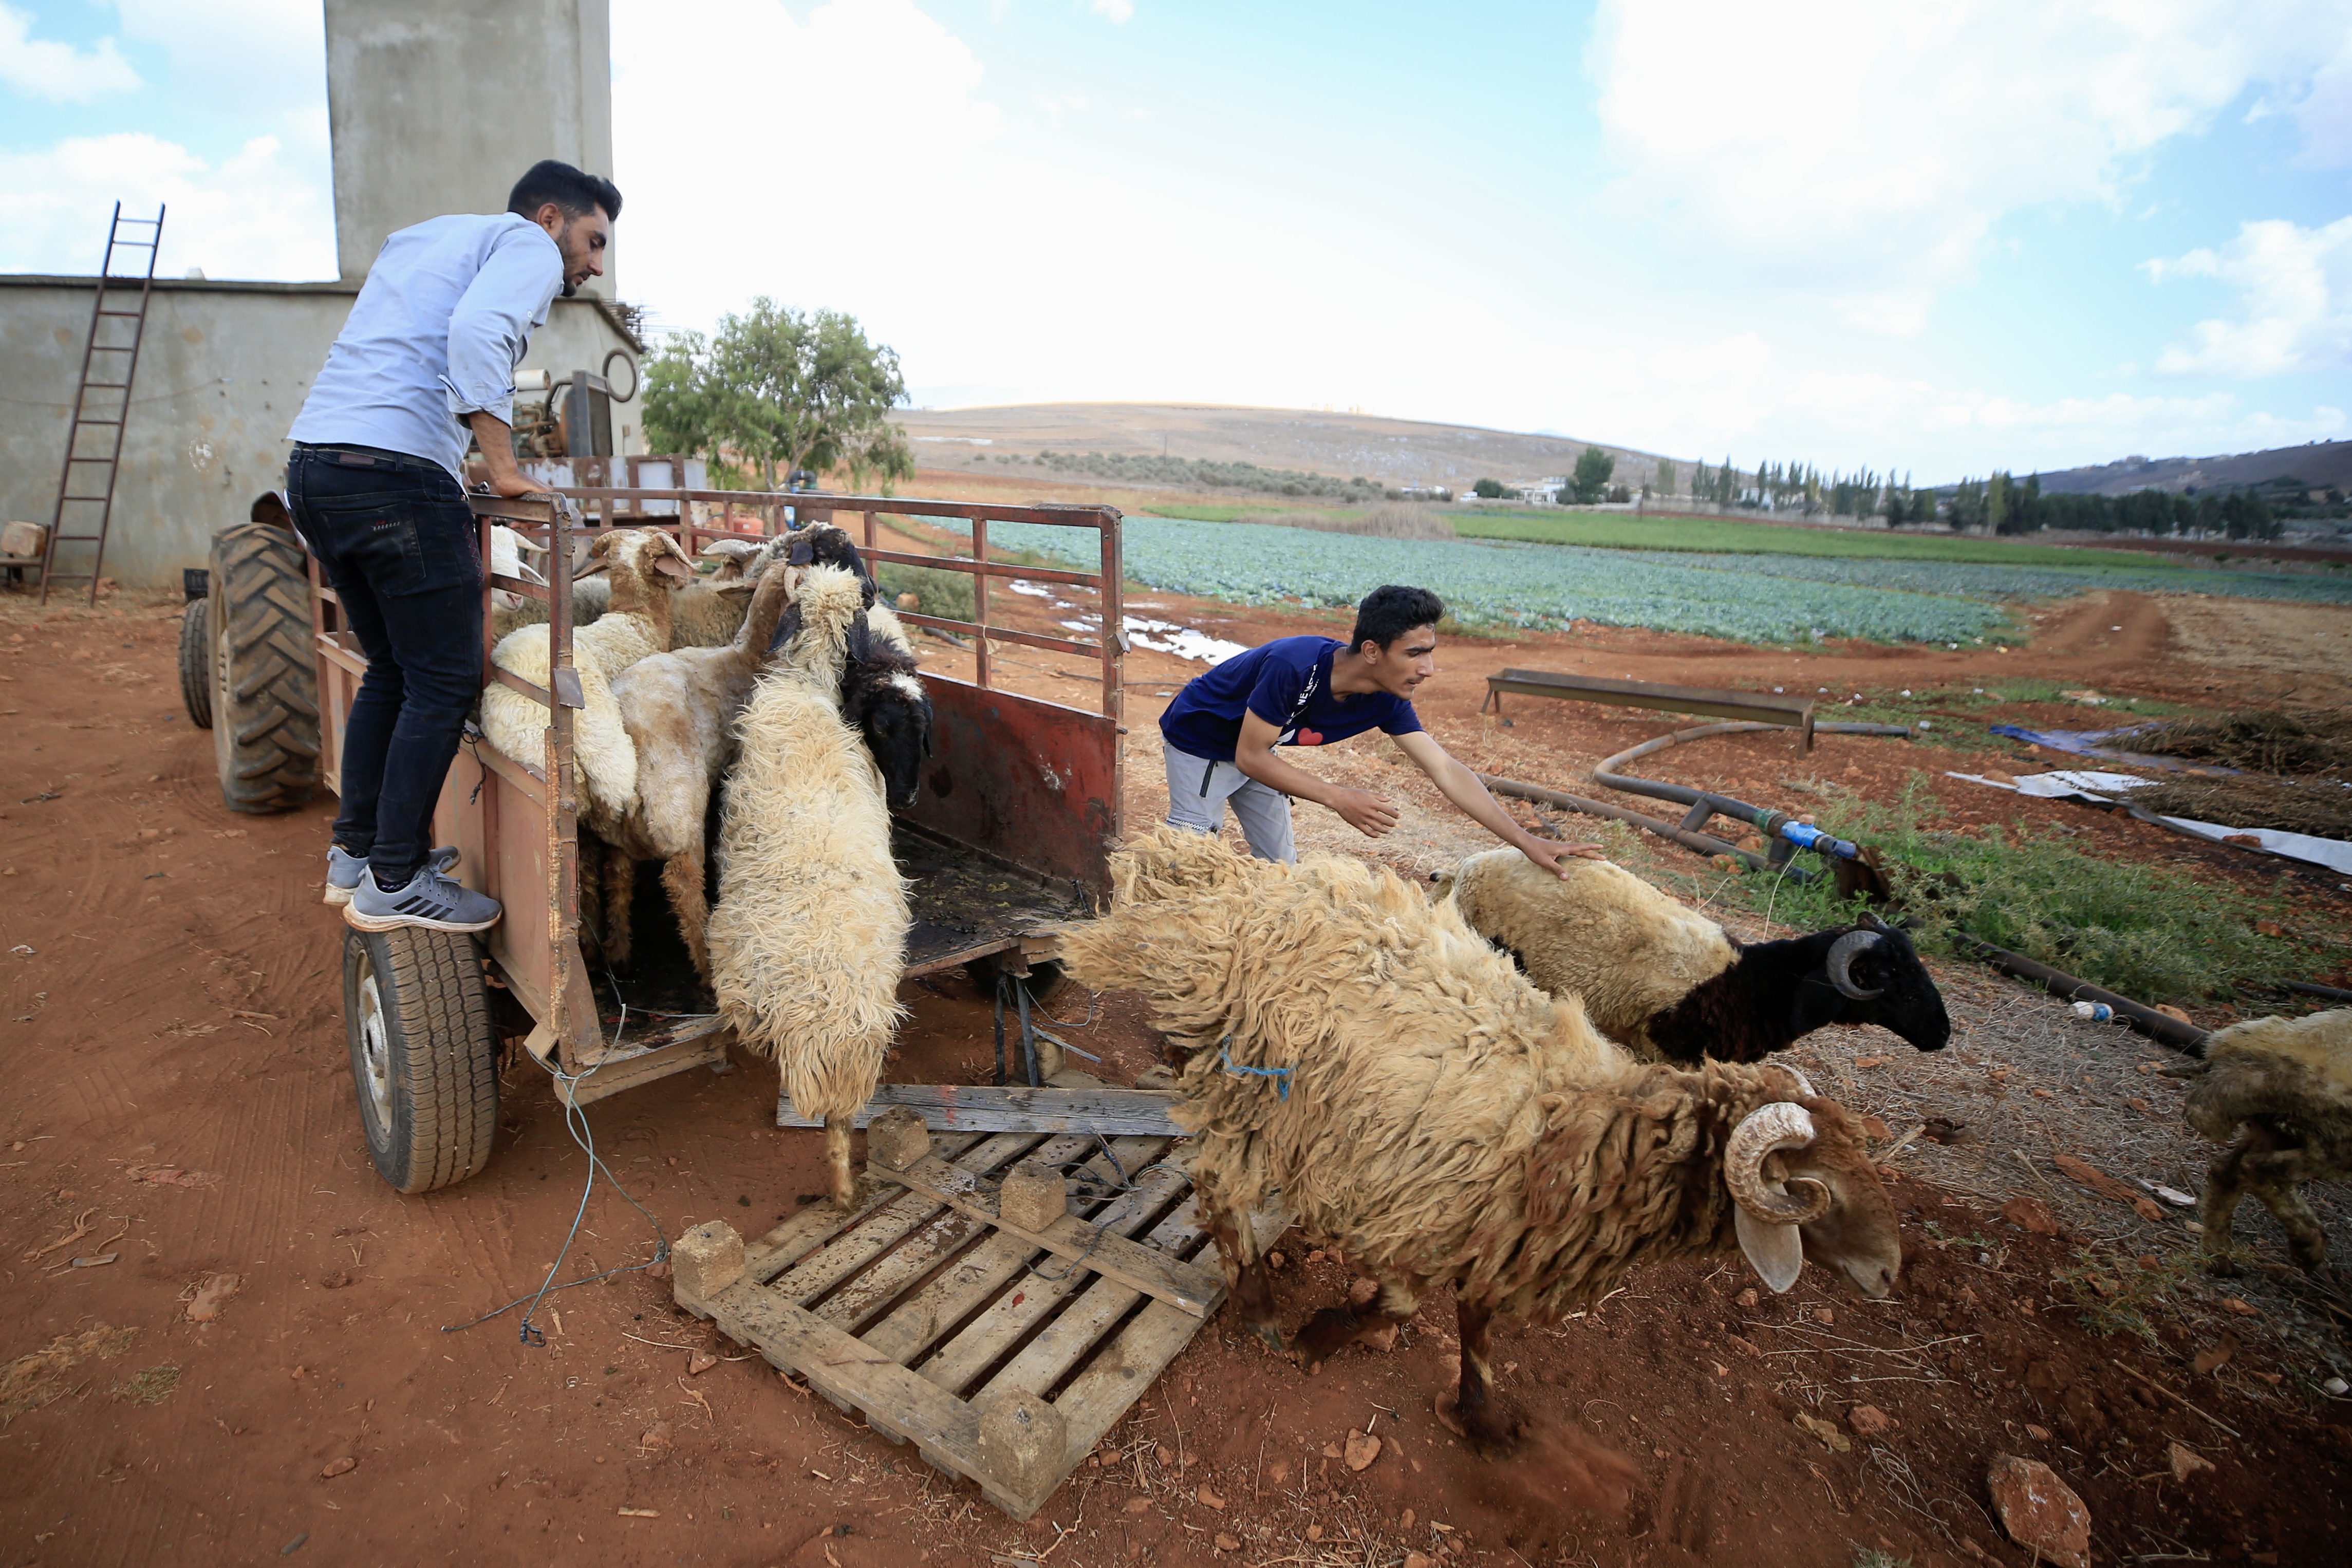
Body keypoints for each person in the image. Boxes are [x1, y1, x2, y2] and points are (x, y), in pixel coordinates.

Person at [285, 159, 619, 933]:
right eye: (594, 240)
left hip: (317, 470)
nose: (596, 264)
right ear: (550, 218)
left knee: (393, 669)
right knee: (444, 679)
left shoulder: (425, 240)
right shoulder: (527, 246)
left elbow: (411, 350)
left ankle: (357, 854)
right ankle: (395, 879)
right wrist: (503, 469)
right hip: (392, 481)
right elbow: (477, 333)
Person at [1158, 584, 1605, 874]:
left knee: (1281, 866)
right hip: (1203, 741)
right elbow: (1249, 756)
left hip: (1257, 745)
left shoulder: (1387, 698)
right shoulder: (1294, 665)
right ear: (1372, 651)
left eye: (1429, 652)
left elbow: (1446, 769)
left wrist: (1526, 840)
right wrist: (1337, 797)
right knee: (1188, 859)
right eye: (1415, 653)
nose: (1428, 669)